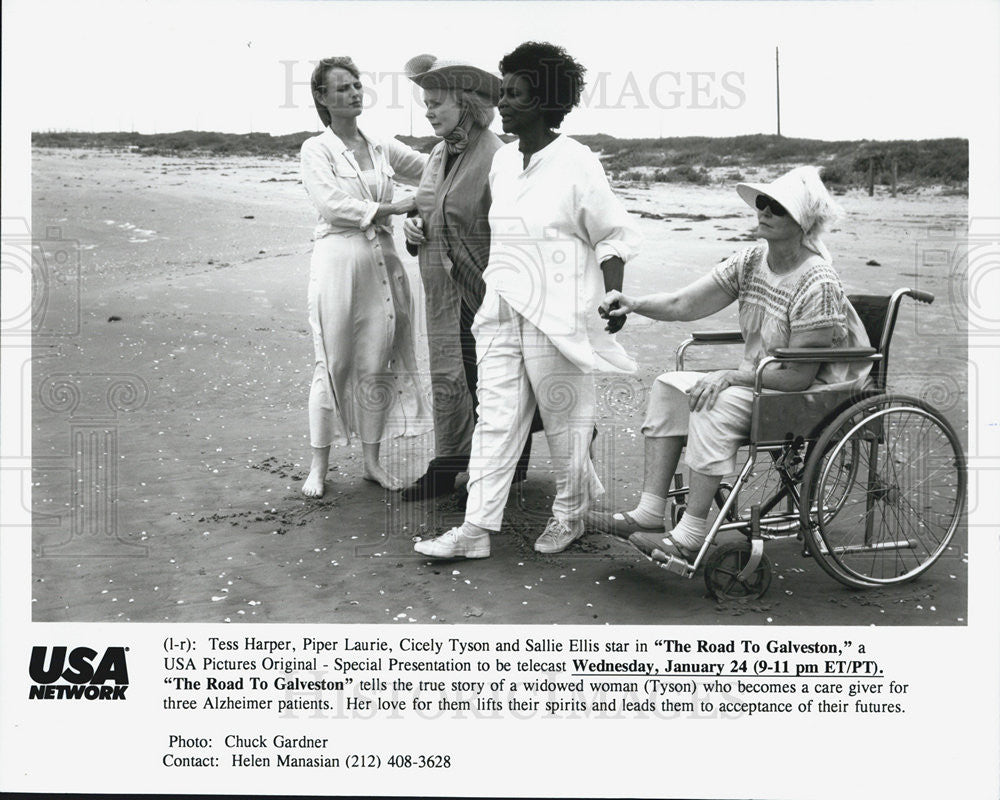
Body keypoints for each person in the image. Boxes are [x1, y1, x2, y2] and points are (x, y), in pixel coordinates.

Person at [414, 42, 640, 560]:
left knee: (565, 422)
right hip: (501, 308)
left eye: (514, 94)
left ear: (544, 102)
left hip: (557, 314)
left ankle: (571, 515)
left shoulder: (577, 162)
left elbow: (612, 234)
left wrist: (613, 289)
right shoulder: (503, 164)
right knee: (494, 419)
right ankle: (475, 530)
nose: (504, 103)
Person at [591, 166, 872, 564]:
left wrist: (730, 376)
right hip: (762, 381)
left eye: (778, 207)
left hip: (811, 392)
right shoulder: (752, 260)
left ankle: (689, 535)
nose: (765, 210)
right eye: (763, 202)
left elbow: (799, 375)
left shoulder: (818, 281)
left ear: (803, 223)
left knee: (713, 401)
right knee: (669, 387)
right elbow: (683, 304)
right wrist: (633, 304)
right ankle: (650, 513)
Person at [399, 55, 537, 502]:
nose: (428, 111)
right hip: (443, 290)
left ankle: (499, 465)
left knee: (492, 383)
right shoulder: (439, 153)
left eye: (437, 102)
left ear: (467, 104)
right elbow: (428, 210)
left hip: (485, 292)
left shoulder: (499, 157)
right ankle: (452, 462)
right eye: (426, 103)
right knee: (450, 378)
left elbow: (520, 235)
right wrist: (414, 229)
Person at [299, 56, 430, 496]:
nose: (354, 93)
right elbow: (332, 204)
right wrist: (392, 208)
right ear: (322, 98)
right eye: (342, 89)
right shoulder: (316, 149)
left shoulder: (380, 145)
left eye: (357, 86)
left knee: (378, 358)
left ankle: (372, 461)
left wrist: (471, 139)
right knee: (332, 360)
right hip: (339, 260)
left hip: (384, 261)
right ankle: (318, 467)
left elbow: (430, 166)